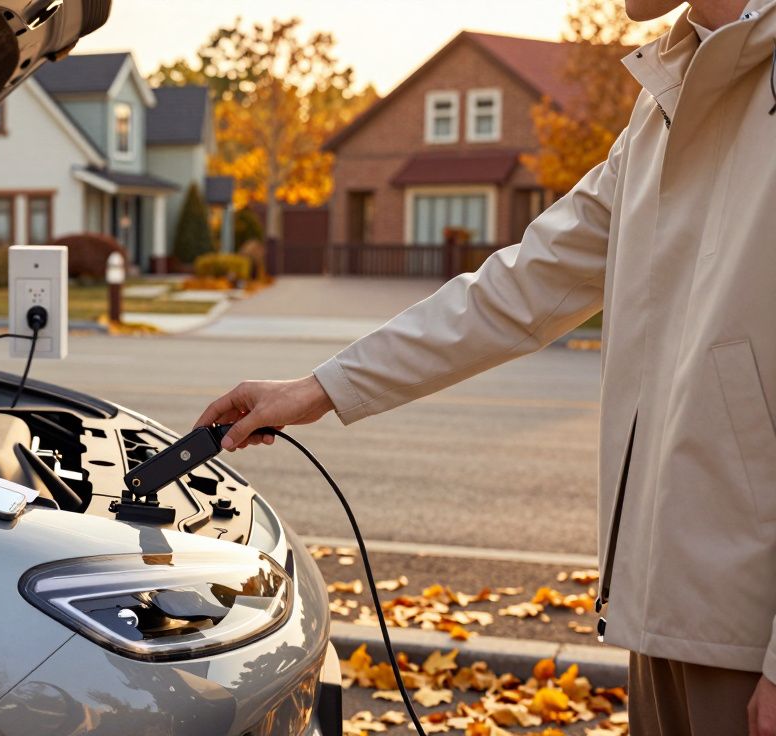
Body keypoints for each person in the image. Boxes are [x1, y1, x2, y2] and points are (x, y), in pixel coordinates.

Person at [195, 0, 776, 733]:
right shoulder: (665, 100)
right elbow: (518, 287)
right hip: (660, 614)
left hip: (754, 638)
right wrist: (317, 389)